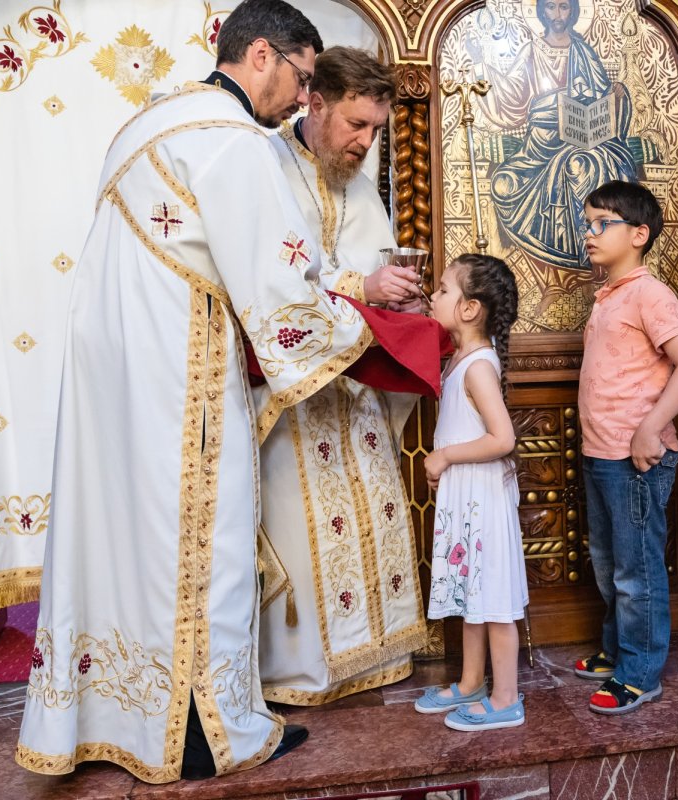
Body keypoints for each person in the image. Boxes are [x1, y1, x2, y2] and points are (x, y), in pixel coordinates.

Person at [16, 0, 373, 783]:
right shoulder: (233, 142)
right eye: (302, 79)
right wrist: (357, 325)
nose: (302, 102)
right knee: (205, 543)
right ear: (259, 55)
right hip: (179, 371)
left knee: (124, 542)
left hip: (112, 371)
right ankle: (213, 734)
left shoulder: (149, 125)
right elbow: (280, 291)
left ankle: (117, 718)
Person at [258, 46, 430, 707]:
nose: (365, 142)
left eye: (375, 130)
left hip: (354, 386)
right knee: (303, 525)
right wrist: (362, 283)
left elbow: (368, 259)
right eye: (356, 125)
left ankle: (375, 653)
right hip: (296, 390)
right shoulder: (267, 167)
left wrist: (396, 297)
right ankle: (303, 670)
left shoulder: (356, 181)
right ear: (316, 103)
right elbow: (270, 276)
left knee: (370, 509)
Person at [571, 180, 678, 714]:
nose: (590, 234)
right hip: (601, 454)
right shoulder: (611, 294)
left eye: (601, 223)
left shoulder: (651, 293)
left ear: (639, 234)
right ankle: (617, 651)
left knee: (636, 570)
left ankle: (641, 672)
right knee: (609, 565)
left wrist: (651, 427)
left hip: (635, 459)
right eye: (588, 223)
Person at [413, 254, 527, 731]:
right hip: (469, 495)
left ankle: (505, 699)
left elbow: (502, 439)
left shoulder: (478, 366)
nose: (433, 296)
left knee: (493, 597)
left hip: (484, 499)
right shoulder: (461, 359)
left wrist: (444, 457)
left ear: (468, 308)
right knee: (472, 594)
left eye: (441, 289)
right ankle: (470, 682)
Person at [465, 0, 637, 272]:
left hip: (585, 135)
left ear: (574, 11)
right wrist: (479, 64)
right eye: (552, 7)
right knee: (506, 182)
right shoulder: (532, 50)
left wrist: (614, 94)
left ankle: (589, 251)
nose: (558, 15)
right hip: (542, 142)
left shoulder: (584, 51)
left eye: (564, 7)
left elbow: (602, 96)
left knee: (587, 164)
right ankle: (560, 253)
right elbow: (511, 96)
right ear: (542, 12)